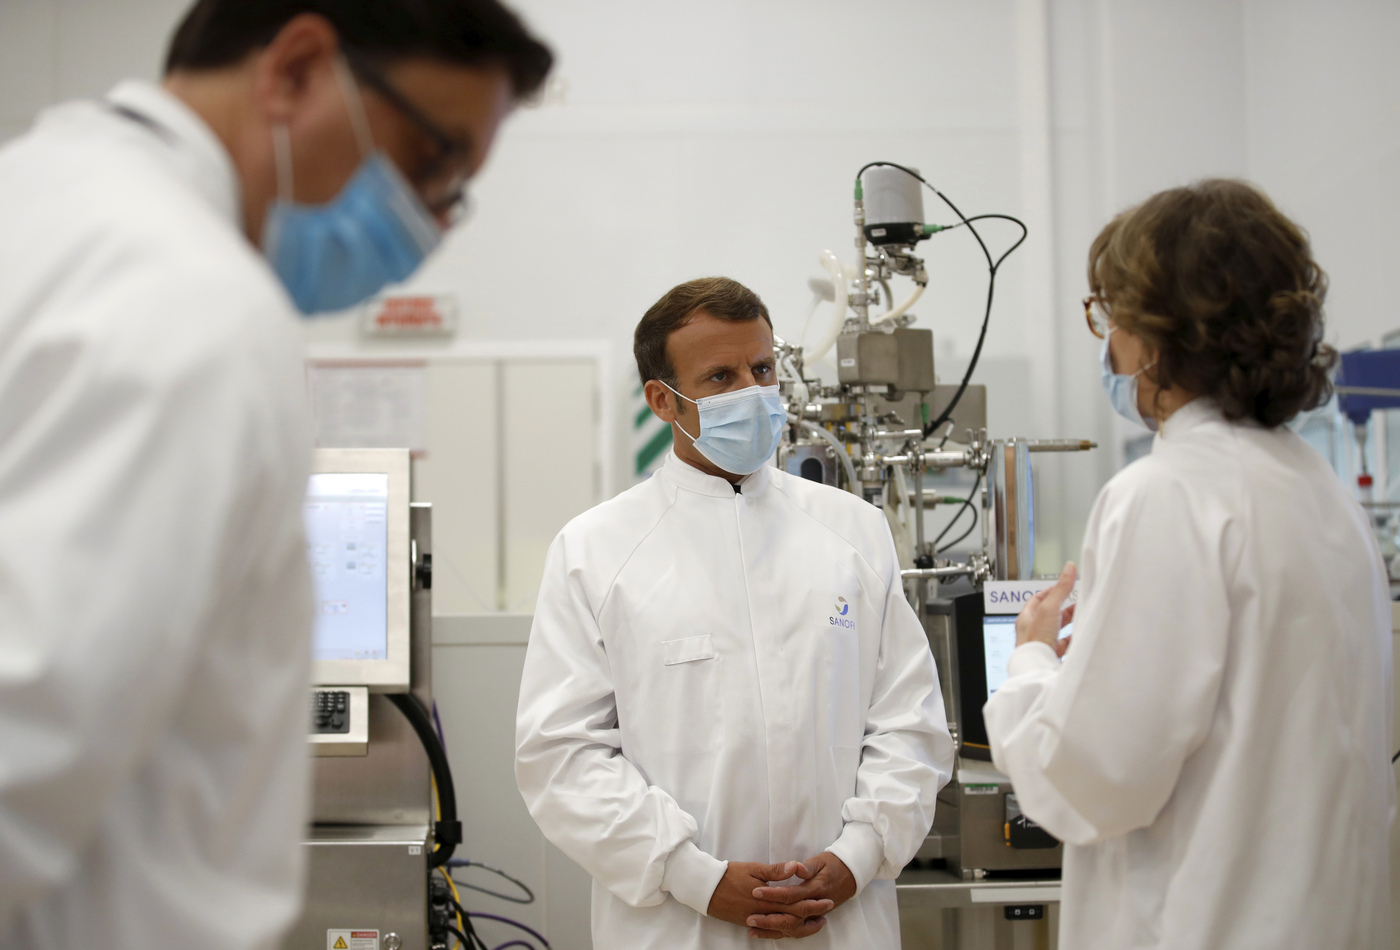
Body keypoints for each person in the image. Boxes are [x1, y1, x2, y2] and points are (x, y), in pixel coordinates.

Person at [0, 2, 550, 948]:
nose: (429, 227)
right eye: (428, 163)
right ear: (295, 68)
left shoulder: (37, 200)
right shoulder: (190, 303)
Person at [984, 179, 1393, 949]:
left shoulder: (1166, 494)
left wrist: (1032, 658)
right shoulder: (1323, 493)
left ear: (1162, 332)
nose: (1108, 344)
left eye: (1113, 316)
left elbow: (1090, 781)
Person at [515, 276, 954, 948]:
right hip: (677, 925)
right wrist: (693, 876)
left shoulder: (855, 533)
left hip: (839, 919)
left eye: (763, 368)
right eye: (720, 377)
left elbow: (908, 724)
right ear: (664, 400)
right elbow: (561, 755)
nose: (751, 392)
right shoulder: (596, 551)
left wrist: (858, 856)